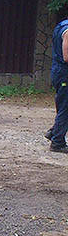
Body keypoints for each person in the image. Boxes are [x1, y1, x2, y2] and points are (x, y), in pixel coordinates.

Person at [46, 18, 68, 152]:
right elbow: (67, 57)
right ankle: (57, 142)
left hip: (58, 72)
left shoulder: (61, 25)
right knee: (65, 107)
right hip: (64, 74)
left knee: (64, 106)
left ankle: (54, 132)